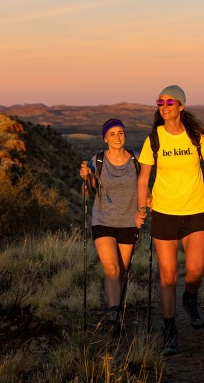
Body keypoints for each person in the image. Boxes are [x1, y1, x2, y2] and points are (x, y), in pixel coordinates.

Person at [135, 84, 204, 356]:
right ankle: (169, 329)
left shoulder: (196, 137)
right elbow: (143, 179)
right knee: (167, 275)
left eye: (170, 102)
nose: (164, 106)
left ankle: (189, 298)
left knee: (196, 269)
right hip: (164, 212)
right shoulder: (154, 139)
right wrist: (142, 208)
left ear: (181, 107)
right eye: (160, 102)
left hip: (196, 210)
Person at [80, 118, 147, 327]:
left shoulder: (137, 160)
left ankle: (116, 312)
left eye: (120, 133)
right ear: (105, 138)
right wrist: (86, 178)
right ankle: (113, 315)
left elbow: (145, 190)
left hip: (128, 223)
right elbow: (86, 194)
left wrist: (145, 209)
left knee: (122, 271)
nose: (117, 137)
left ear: (125, 135)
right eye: (112, 134)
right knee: (111, 268)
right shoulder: (97, 160)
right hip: (103, 221)